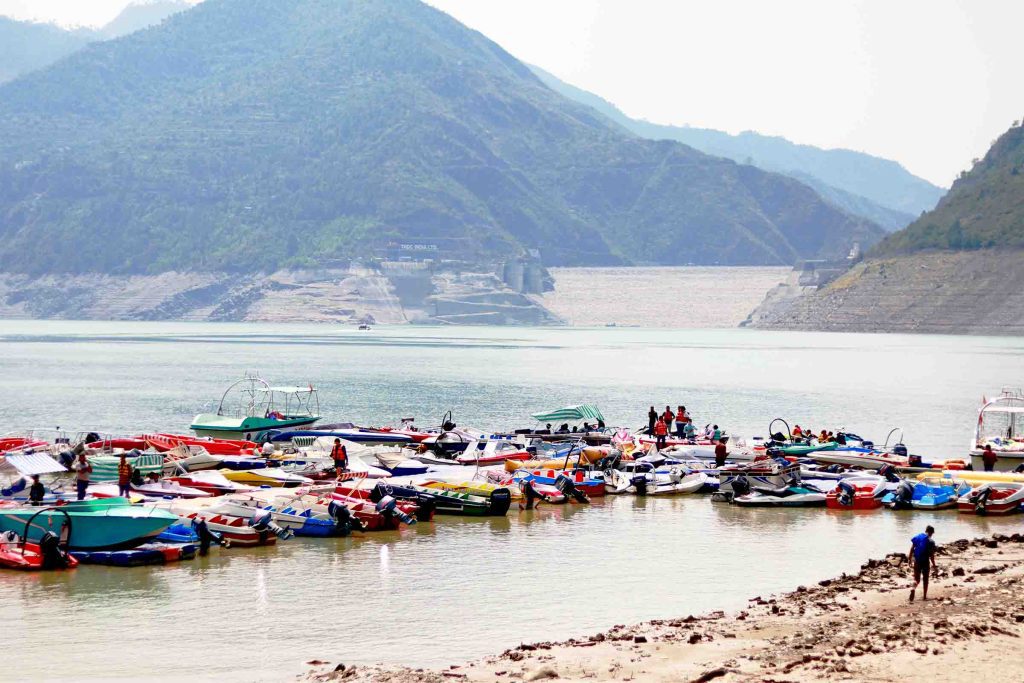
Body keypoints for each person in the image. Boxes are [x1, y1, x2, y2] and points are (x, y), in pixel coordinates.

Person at [908, 525, 938, 602]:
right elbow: (931, 555)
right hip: (925, 562)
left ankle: (913, 588)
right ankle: (924, 596)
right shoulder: (931, 542)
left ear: (926, 530)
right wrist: (934, 565)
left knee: (916, 579)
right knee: (925, 579)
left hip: (917, 561)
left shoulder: (918, 537)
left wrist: (909, 559)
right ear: (931, 533)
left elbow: (912, 548)